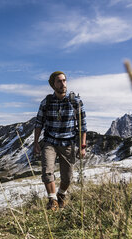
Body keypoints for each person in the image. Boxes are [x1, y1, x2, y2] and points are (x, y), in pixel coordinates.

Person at [33, 71, 87, 211]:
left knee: (67, 177)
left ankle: (61, 195)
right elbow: (39, 123)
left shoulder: (75, 102)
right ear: (53, 85)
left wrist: (82, 146)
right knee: (47, 172)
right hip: (50, 142)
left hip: (68, 142)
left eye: (64, 80)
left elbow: (83, 126)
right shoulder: (46, 102)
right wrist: (36, 142)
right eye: (59, 81)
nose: (63, 84)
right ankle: (52, 200)